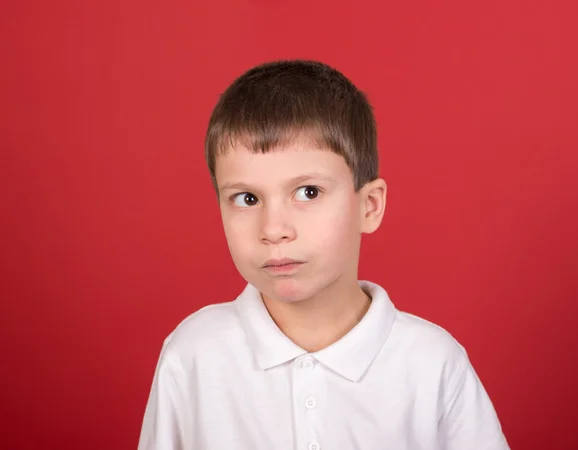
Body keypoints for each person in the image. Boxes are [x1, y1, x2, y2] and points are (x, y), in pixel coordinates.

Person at [138, 60, 510, 450]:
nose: (273, 228)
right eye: (246, 199)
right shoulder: (193, 354)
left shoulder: (433, 365)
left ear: (368, 206)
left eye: (308, 192)